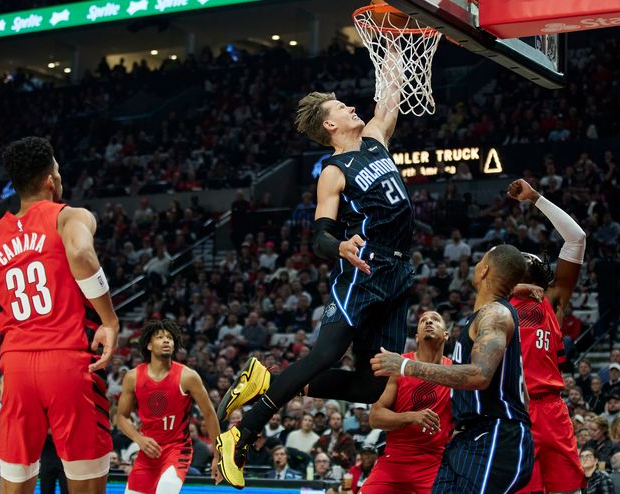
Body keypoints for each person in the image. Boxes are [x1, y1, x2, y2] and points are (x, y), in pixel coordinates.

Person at [217, 70, 415, 488]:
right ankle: (242, 433)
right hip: (363, 271)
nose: (352, 107)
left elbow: (390, 99)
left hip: (399, 274)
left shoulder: (377, 138)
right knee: (324, 355)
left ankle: (268, 380)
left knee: (369, 386)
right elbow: (320, 234)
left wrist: (397, 47)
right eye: (342, 107)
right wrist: (340, 246)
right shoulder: (333, 170)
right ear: (330, 125)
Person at [0, 137, 119, 493]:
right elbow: (81, 254)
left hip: (15, 368)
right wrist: (109, 320)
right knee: (86, 484)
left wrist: (15, 323)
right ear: (51, 179)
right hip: (68, 362)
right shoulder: (69, 216)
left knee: (15, 484)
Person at [371, 244, 533, 493]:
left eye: (480, 261)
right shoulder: (486, 316)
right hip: (467, 438)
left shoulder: (495, 315)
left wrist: (405, 365)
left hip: (494, 434)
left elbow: (479, 375)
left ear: (484, 271)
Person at [506, 178, 587, 494]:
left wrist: (536, 198)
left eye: (531, 256)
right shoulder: (496, 304)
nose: (526, 256)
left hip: (550, 408)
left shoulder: (552, 301)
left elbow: (576, 238)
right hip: (514, 411)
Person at [117, 320, 221, 493]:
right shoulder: (132, 377)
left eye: (170, 338)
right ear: (149, 345)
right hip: (148, 450)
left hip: (177, 449)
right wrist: (139, 439)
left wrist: (218, 455)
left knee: (166, 489)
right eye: (160, 337)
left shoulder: (188, 376)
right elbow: (120, 417)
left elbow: (209, 414)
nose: (166, 341)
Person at [361, 311, 454, 493]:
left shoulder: (455, 371)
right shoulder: (399, 364)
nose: (428, 321)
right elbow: (375, 417)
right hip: (395, 457)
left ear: (446, 334)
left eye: (435, 319)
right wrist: (412, 417)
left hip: (434, 461)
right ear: (417, 337)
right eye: (423, 320)